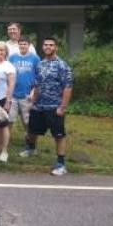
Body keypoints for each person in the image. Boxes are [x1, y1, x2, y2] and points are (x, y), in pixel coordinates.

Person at [21, 37, 74, 176]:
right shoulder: (40, 64)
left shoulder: (62, 65)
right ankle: (31, 149)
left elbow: (68, 87)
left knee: (58, 135)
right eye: (45, 45)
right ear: (43, 47)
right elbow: (37, 85)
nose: (48, 47)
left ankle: (61, 164)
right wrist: (32, 102)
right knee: (32, 130)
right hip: (39, 106)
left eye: (51, 45)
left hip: (54, 107)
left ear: (56, 47)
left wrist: (62, 107)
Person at [8, 36, 40, 142]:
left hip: (27, 94)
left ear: (29, 45)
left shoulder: (35, 58)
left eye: (25, 44)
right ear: (18, 45)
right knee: (9, 120)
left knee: (27, 121)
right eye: (21, 44)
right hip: (13, 94)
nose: (22, 46)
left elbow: (39, 76)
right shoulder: (12, 57)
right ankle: (5, 142)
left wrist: (34, 91)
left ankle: (30, 143)